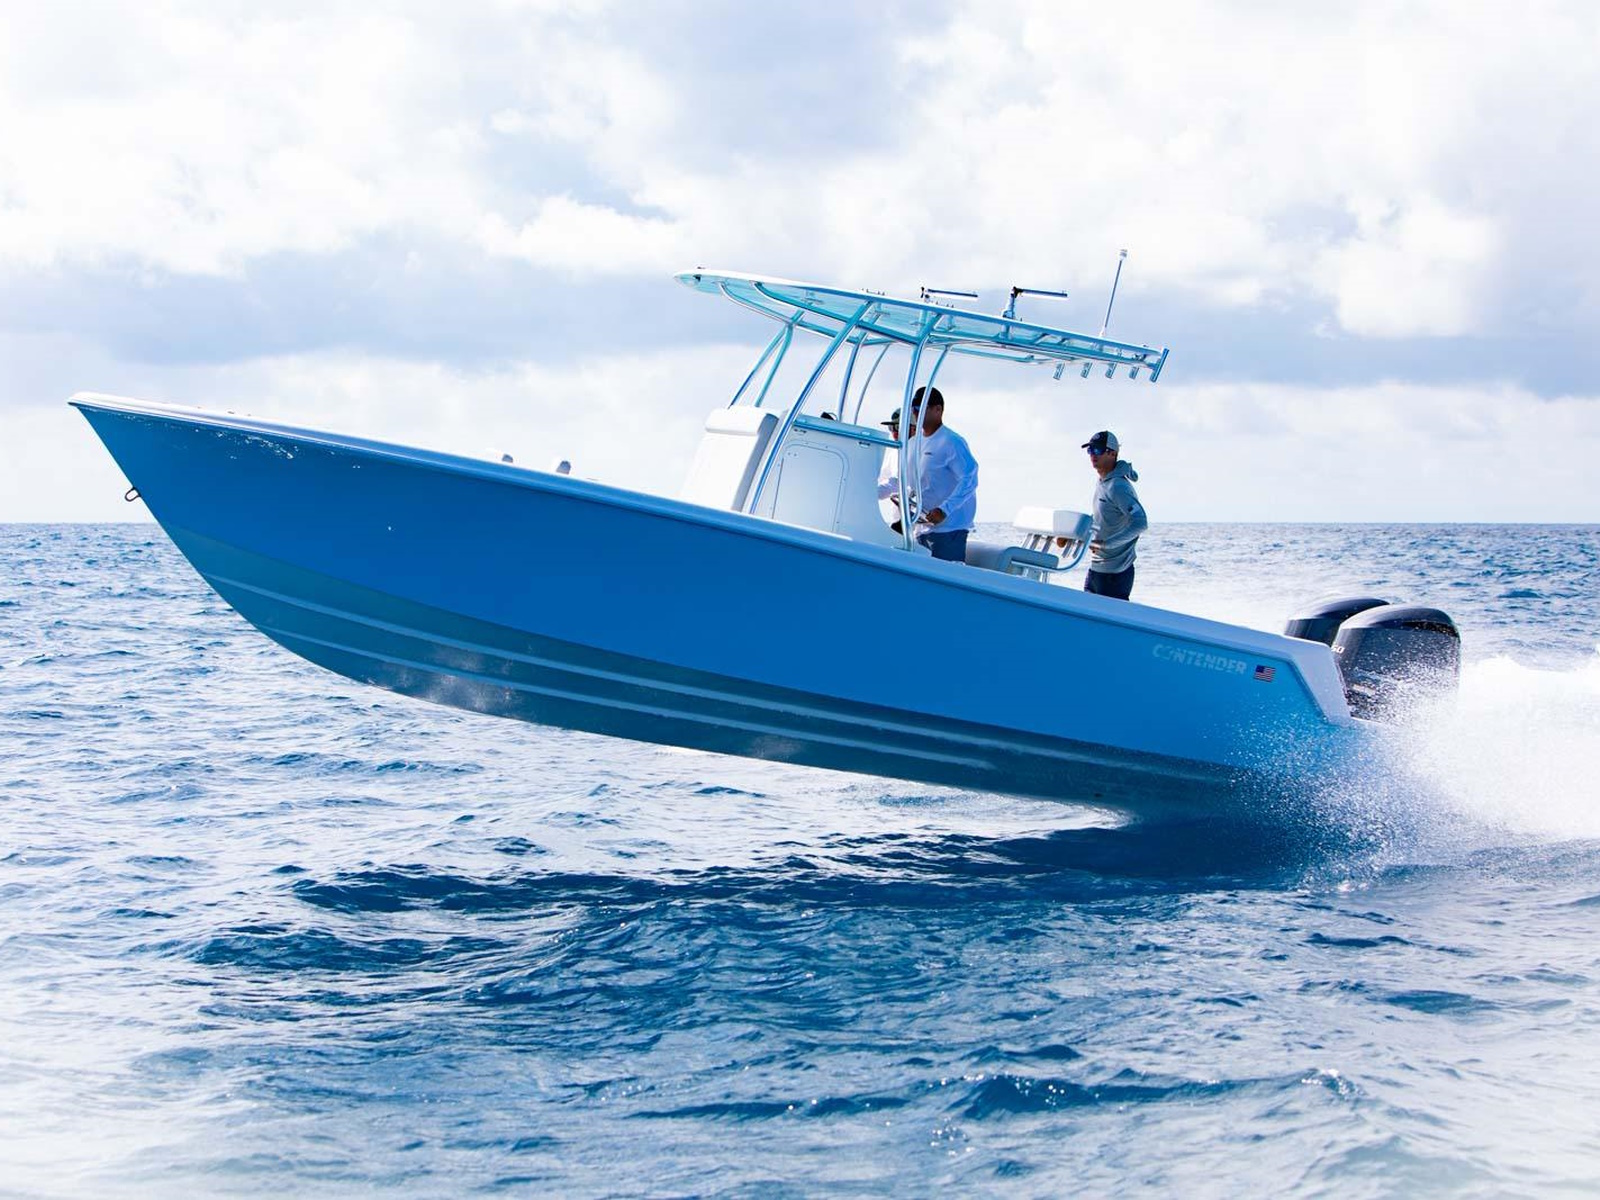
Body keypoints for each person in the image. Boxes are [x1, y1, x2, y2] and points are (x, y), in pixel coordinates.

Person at [1081, 430, 1146, 600]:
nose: (1092, 455)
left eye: (1097, 450)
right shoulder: (1102, 482)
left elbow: (1140, 522)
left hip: (1115, 575)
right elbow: (1102, 517)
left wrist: (1106, 544)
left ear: (1112, 453)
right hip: (1095, 569)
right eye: (1090, 450)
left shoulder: (1119, 486)